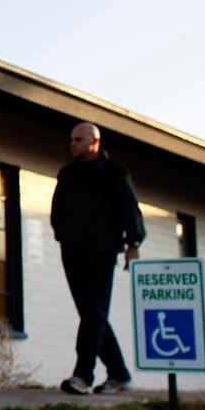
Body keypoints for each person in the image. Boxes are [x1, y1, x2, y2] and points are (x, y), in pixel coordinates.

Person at [51, 121, 145, 395]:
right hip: (72, 249)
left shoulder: (114, 171)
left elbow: (130, 208)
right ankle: (119, 373)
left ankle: (83, 375)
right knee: (92, 313)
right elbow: (57, 209)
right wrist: (62, 234)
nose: (73, 144)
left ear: (95, 142)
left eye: (79, 139)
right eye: (71, 139)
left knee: (93, 311)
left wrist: (133, 243)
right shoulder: (67, 174)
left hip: (102, 250)